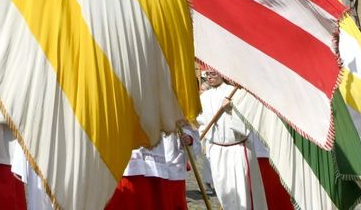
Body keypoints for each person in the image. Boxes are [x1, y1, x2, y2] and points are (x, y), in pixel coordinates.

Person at [197, 70, 267, 209]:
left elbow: (248, 124)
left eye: (213, 74)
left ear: (222, 73)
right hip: (216, 149)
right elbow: (202, 122)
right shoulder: (204, 97)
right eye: (207, 75)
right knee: (224, 192)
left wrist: (231, 110)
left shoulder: (236, 93)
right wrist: (205, 140)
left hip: (237, 148)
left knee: (243, 192)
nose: (209, 77)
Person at [105, 129, 200, 209]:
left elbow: (187, 126)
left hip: (168, 167)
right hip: (131, 164)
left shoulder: (175, 108)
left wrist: (189, 139)